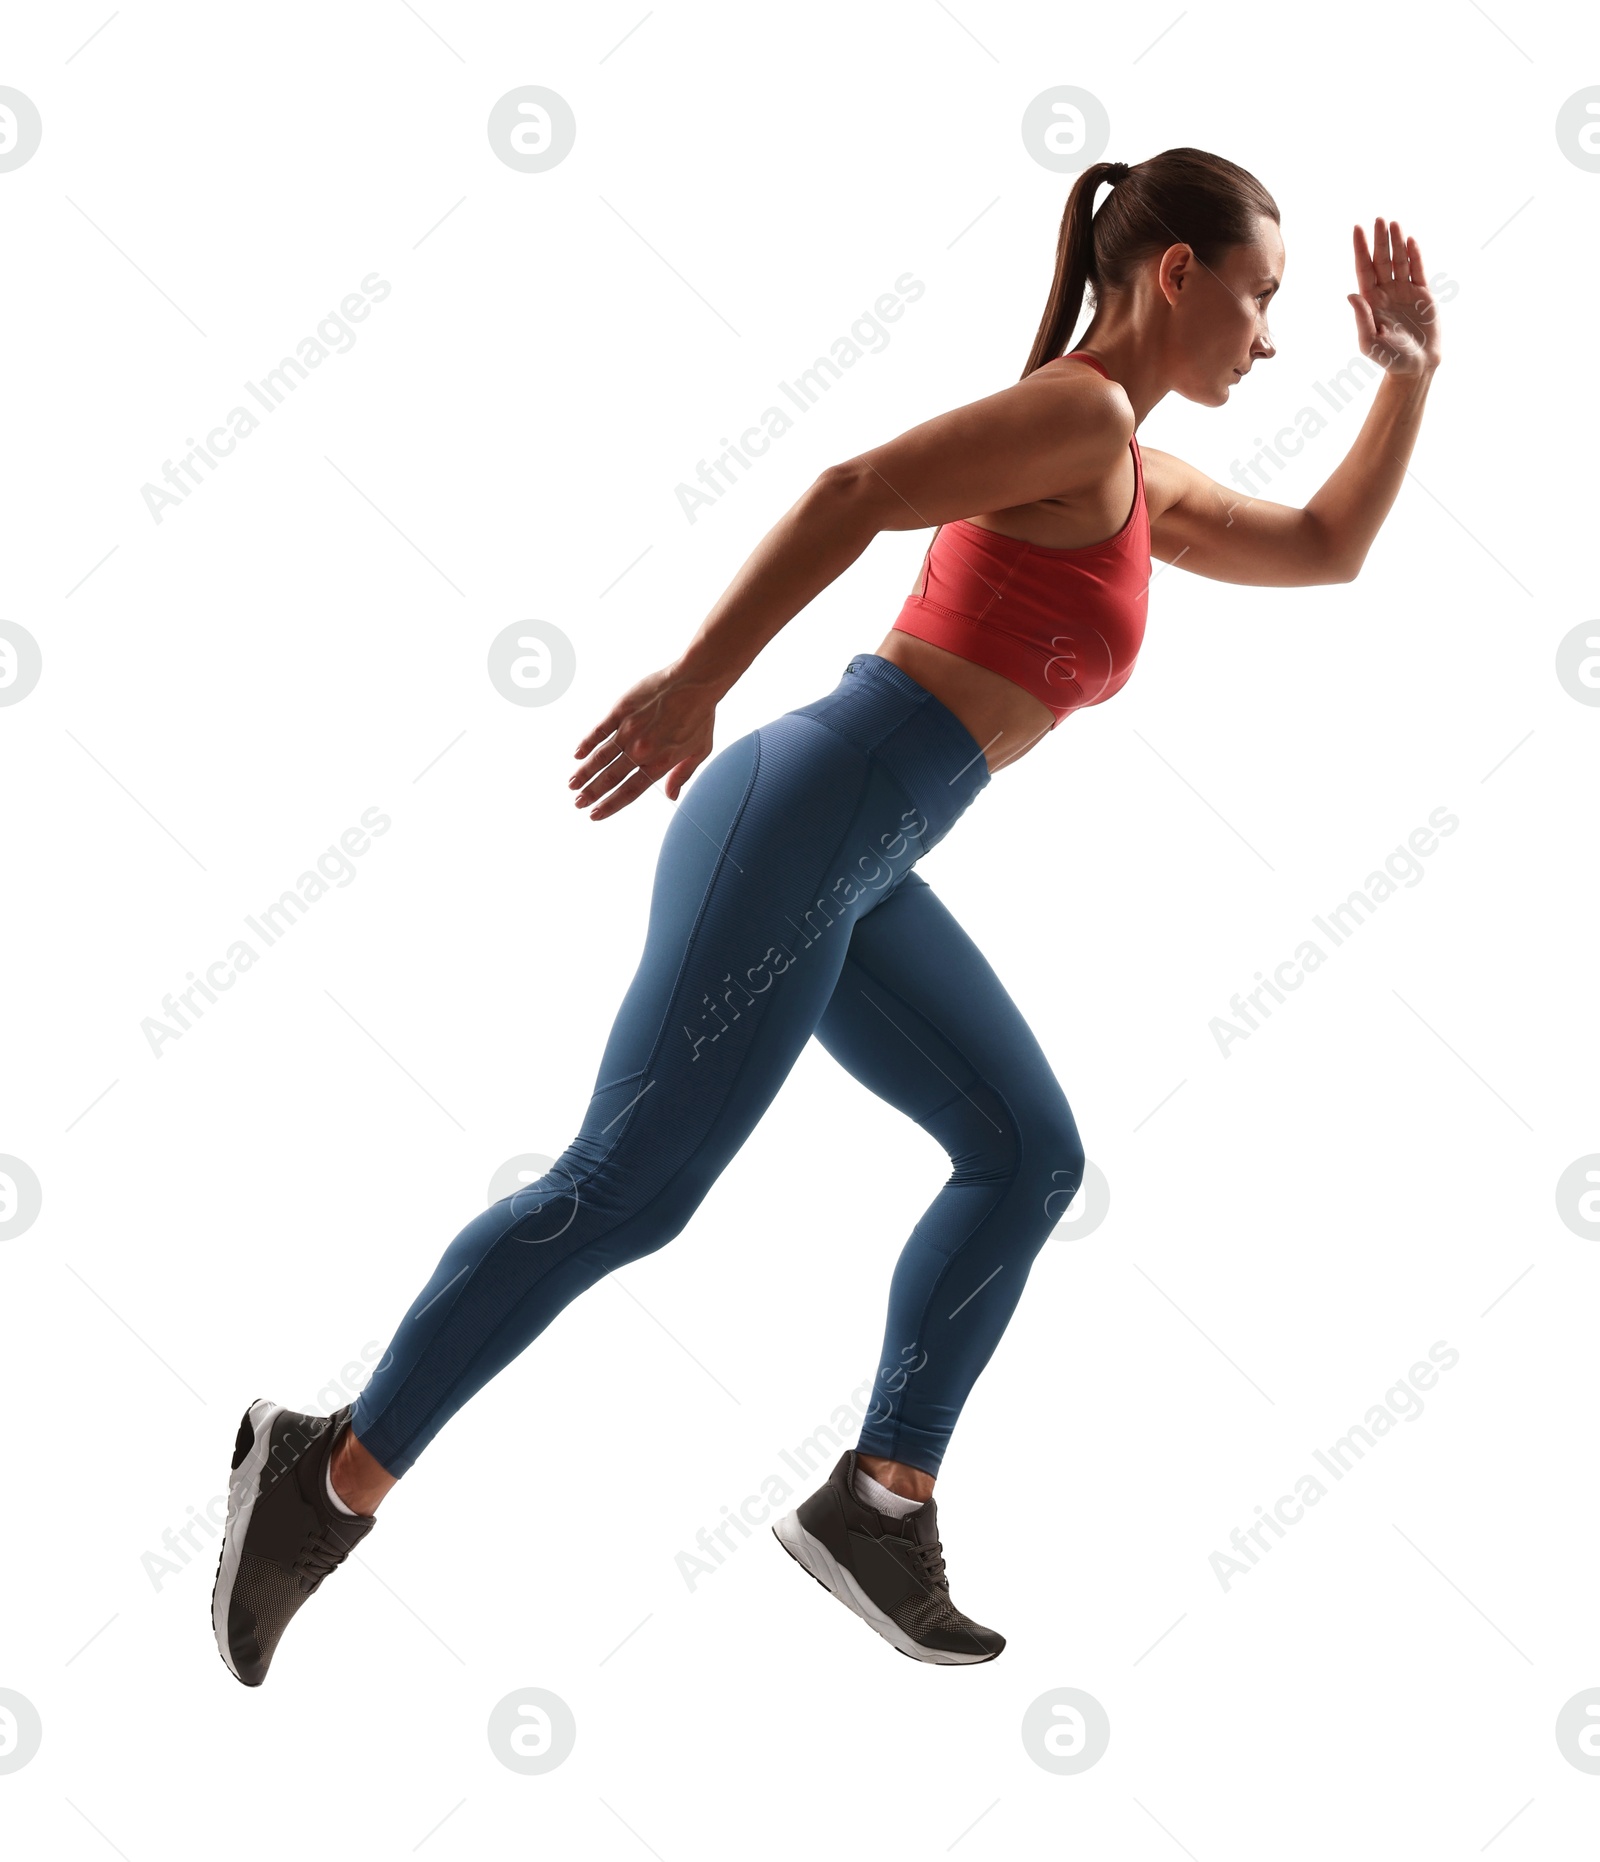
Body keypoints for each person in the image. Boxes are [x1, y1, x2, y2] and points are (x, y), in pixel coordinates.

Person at [212, 147, 1442, 1681]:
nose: (1270, 337)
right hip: (806, 812)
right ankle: (324, 1476)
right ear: (1176, 273)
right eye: (1259, 298)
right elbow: (853, 491)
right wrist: (695, 681)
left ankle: (879, 1499)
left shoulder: (1131, 467)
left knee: (1025, 1154)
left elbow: (1324, 549)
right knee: (628, 1188)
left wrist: (1408, 376)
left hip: (861, 854)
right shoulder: (1080, 413)